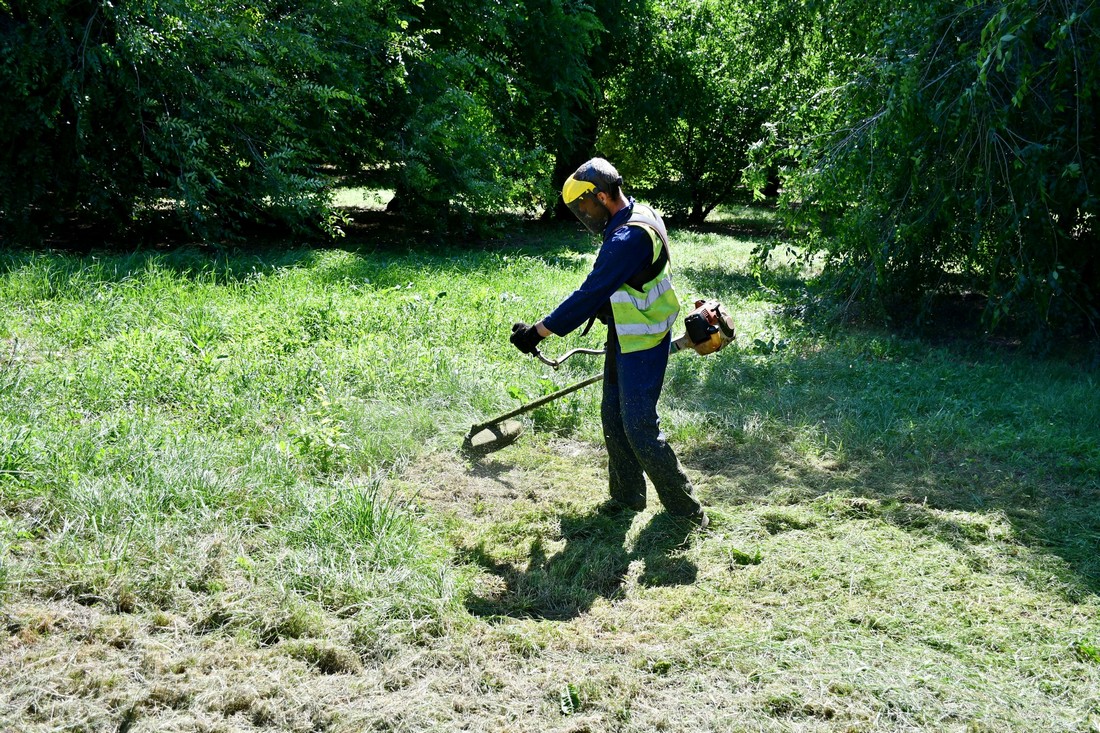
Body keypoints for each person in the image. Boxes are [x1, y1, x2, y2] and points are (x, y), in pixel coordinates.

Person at [510, 158, 708, 529]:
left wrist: (537, 332)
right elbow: (623, 281)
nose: (583, 215)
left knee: (638, 425)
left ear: (602, 196)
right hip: (629, 330)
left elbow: (590, 293)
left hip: (644, 339)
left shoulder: (627, 237)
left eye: (584, 206)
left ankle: (687, 512)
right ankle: (626, 498)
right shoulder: (639, 212)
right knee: (613, 417)